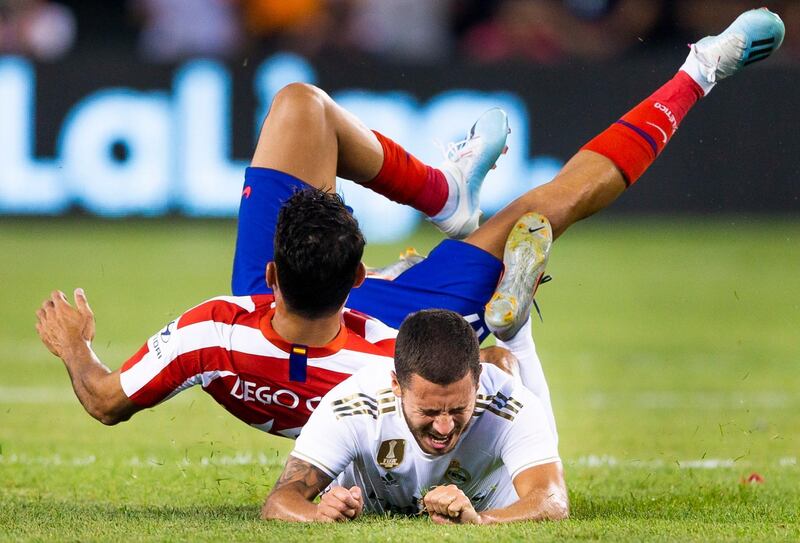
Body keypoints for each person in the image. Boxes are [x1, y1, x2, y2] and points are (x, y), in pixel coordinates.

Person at [36, 8, 783, 438]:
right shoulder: (397, 361)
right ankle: (698, 72)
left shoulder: (211, 329)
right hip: (390, 327)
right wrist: (492, 340)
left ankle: (448, 193)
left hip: (320, 334)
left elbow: (104, 399)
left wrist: (76, 348)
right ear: (358, 274)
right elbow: (481, 383)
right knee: (550, 204)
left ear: (271, 271)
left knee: (299, 103)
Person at [263, 309, 565, 523]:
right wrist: (320, 514)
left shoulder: (508, 403)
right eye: (429, 411)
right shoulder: (354, 404)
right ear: (396, 385)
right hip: (371, 497)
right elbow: (279, 501)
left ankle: (515, 340)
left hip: (489, 491)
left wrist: (481, 520)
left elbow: (553, 501)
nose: (444, 427)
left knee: (540, 424)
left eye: (458, 409)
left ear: (477, 381)